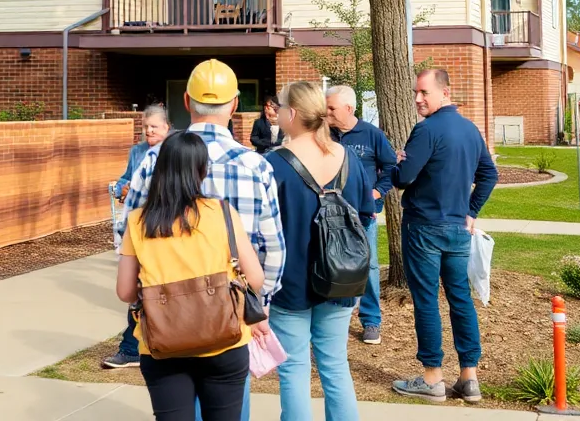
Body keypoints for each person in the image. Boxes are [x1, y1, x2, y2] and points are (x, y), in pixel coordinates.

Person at [119, 59, 285, 421]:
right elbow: (273, 248)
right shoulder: (256, 166)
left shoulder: (152, 160)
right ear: (236, 103)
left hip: (165, 316)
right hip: (228, 314)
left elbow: (127, 233)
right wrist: (260, 304)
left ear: (186, 100)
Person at [116, 131, 265, 421]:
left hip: (162, 343)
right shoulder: (222, 212)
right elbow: (256, 279)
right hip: (224, 338)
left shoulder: (138, 220)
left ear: (161, 169)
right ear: (202, 170)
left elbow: (124, 291)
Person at [266, 81, 373, 421]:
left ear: (292, 114)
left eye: (281, 107)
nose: (278, 112)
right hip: (340, 276)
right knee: (335, 365)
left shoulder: (274, 164)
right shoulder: (346, 159)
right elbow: (364, 214)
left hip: (291, 281)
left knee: (294, 368)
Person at [389, 69, 498, 403]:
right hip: (456, 230)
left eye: (424, 92)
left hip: (424, 227)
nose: (418, 98)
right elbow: (489, 174)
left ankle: (433, 378)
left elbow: (404, 178)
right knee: (460, 299)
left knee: (426, 300)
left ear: (444, 92)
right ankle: (469, 378)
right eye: (415, 92)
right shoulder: (469, 129)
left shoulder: (426, 131)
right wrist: (471, 212)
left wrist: (394, 163)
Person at [325, 85, 396, 345]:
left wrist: (377, 193)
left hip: (363, 216)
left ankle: (371, 320)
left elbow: (390, 167)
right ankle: (334, 318)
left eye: (331, 108)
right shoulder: (324, 134)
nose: (327, 112)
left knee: (369, 266)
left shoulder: (372, 135)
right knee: (330, 263)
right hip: (329, 215)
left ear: (349, 108)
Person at [104, 103, 171, 369]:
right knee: (138, 292)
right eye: (145, 127)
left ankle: (156, 344)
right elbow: (124, 180)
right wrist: (122, 188)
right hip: (137, 228)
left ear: (167, 127)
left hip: (163, 229)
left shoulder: (173, 153)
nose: (149, 131)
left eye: (154, 126)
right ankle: (131, 348)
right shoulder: (138, 152)